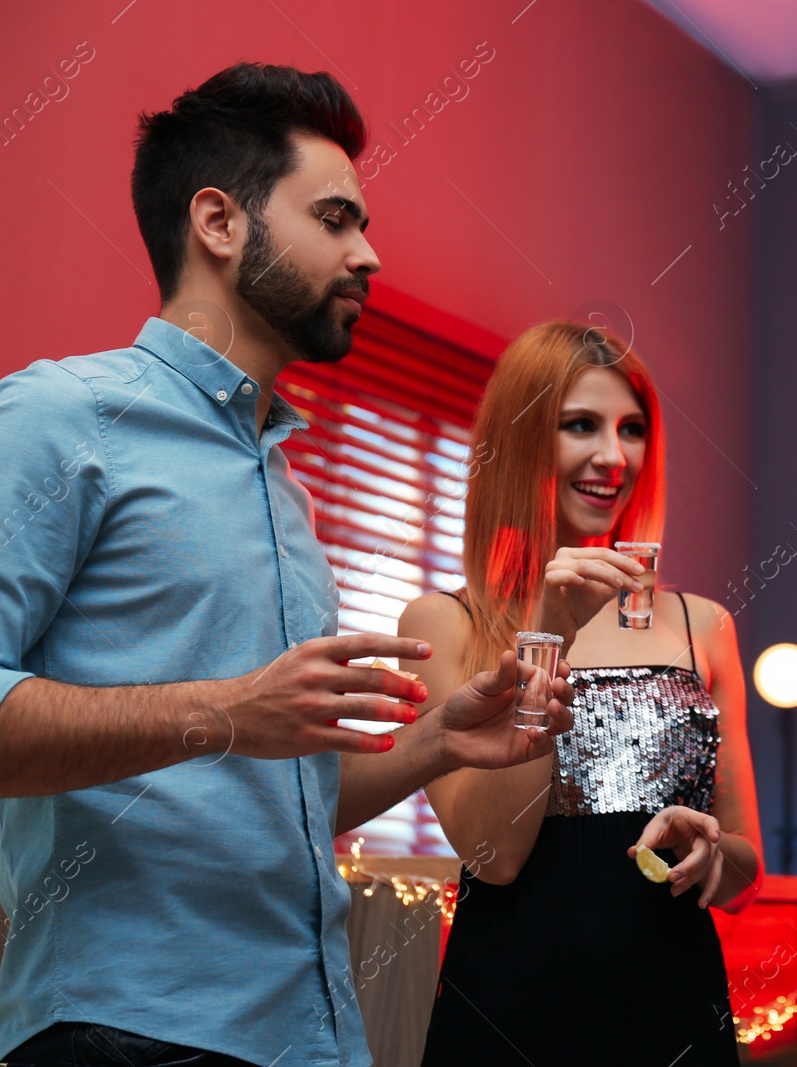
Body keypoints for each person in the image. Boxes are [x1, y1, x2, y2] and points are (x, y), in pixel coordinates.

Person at [0, 64, 573, 1067]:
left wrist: (436, 737)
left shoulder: (287, 490)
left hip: (307, 1035)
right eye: (338, 217)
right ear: (218, 222)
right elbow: (227, 721)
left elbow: (281, 788)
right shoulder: (58, 420)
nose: (371, 252)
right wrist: (225, 709)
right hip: (117, 1030)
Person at [405, 321, 763, 1066]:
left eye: (632, 430)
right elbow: (493, 855)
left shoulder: (705, 626)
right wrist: (549, 637)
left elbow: (743, 870)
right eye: (580, 426)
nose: (614, 455)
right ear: (522, 438)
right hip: (507, 1009)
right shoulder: (446, 623)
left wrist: (710, 855)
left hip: (672, 1006)